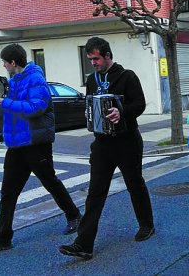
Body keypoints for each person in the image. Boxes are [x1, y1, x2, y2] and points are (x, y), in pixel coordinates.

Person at [0, 44, 81, 255]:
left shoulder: (36, 79)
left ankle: (74, 216)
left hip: (36, 144)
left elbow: (36, 108)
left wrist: (6, 103)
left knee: (50, 182)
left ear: (13, 62)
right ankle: (3, 238)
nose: (3, 65)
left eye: (4, 61)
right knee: (8, 193)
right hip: (16, 146)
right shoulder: (11, 82)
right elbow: (4, 112)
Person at [59, 37, 154, 260]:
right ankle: (83, 244)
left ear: (108, 56)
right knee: (95, 193)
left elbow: (139, 104)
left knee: (134, 184)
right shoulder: (92, 79)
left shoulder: (127, 76)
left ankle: (147, 225)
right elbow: (90, 102)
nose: (93, 62)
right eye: (90, 59)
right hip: (102, 143)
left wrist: (122, 112)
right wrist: (89, 113)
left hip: (127, 140)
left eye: (96, 58)